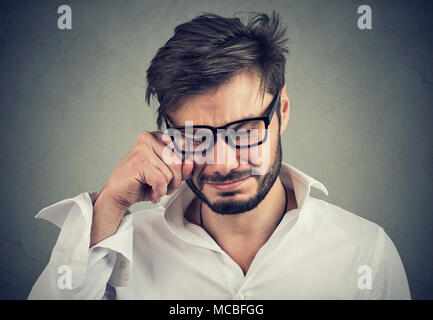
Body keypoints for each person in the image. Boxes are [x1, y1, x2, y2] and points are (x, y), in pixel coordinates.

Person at [28, 11, 410, 299]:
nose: (223, 163)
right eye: (196, 136)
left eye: (244, 131)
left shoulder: (366, 252)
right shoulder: (120, 253)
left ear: (284, 111)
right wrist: (108, 206)